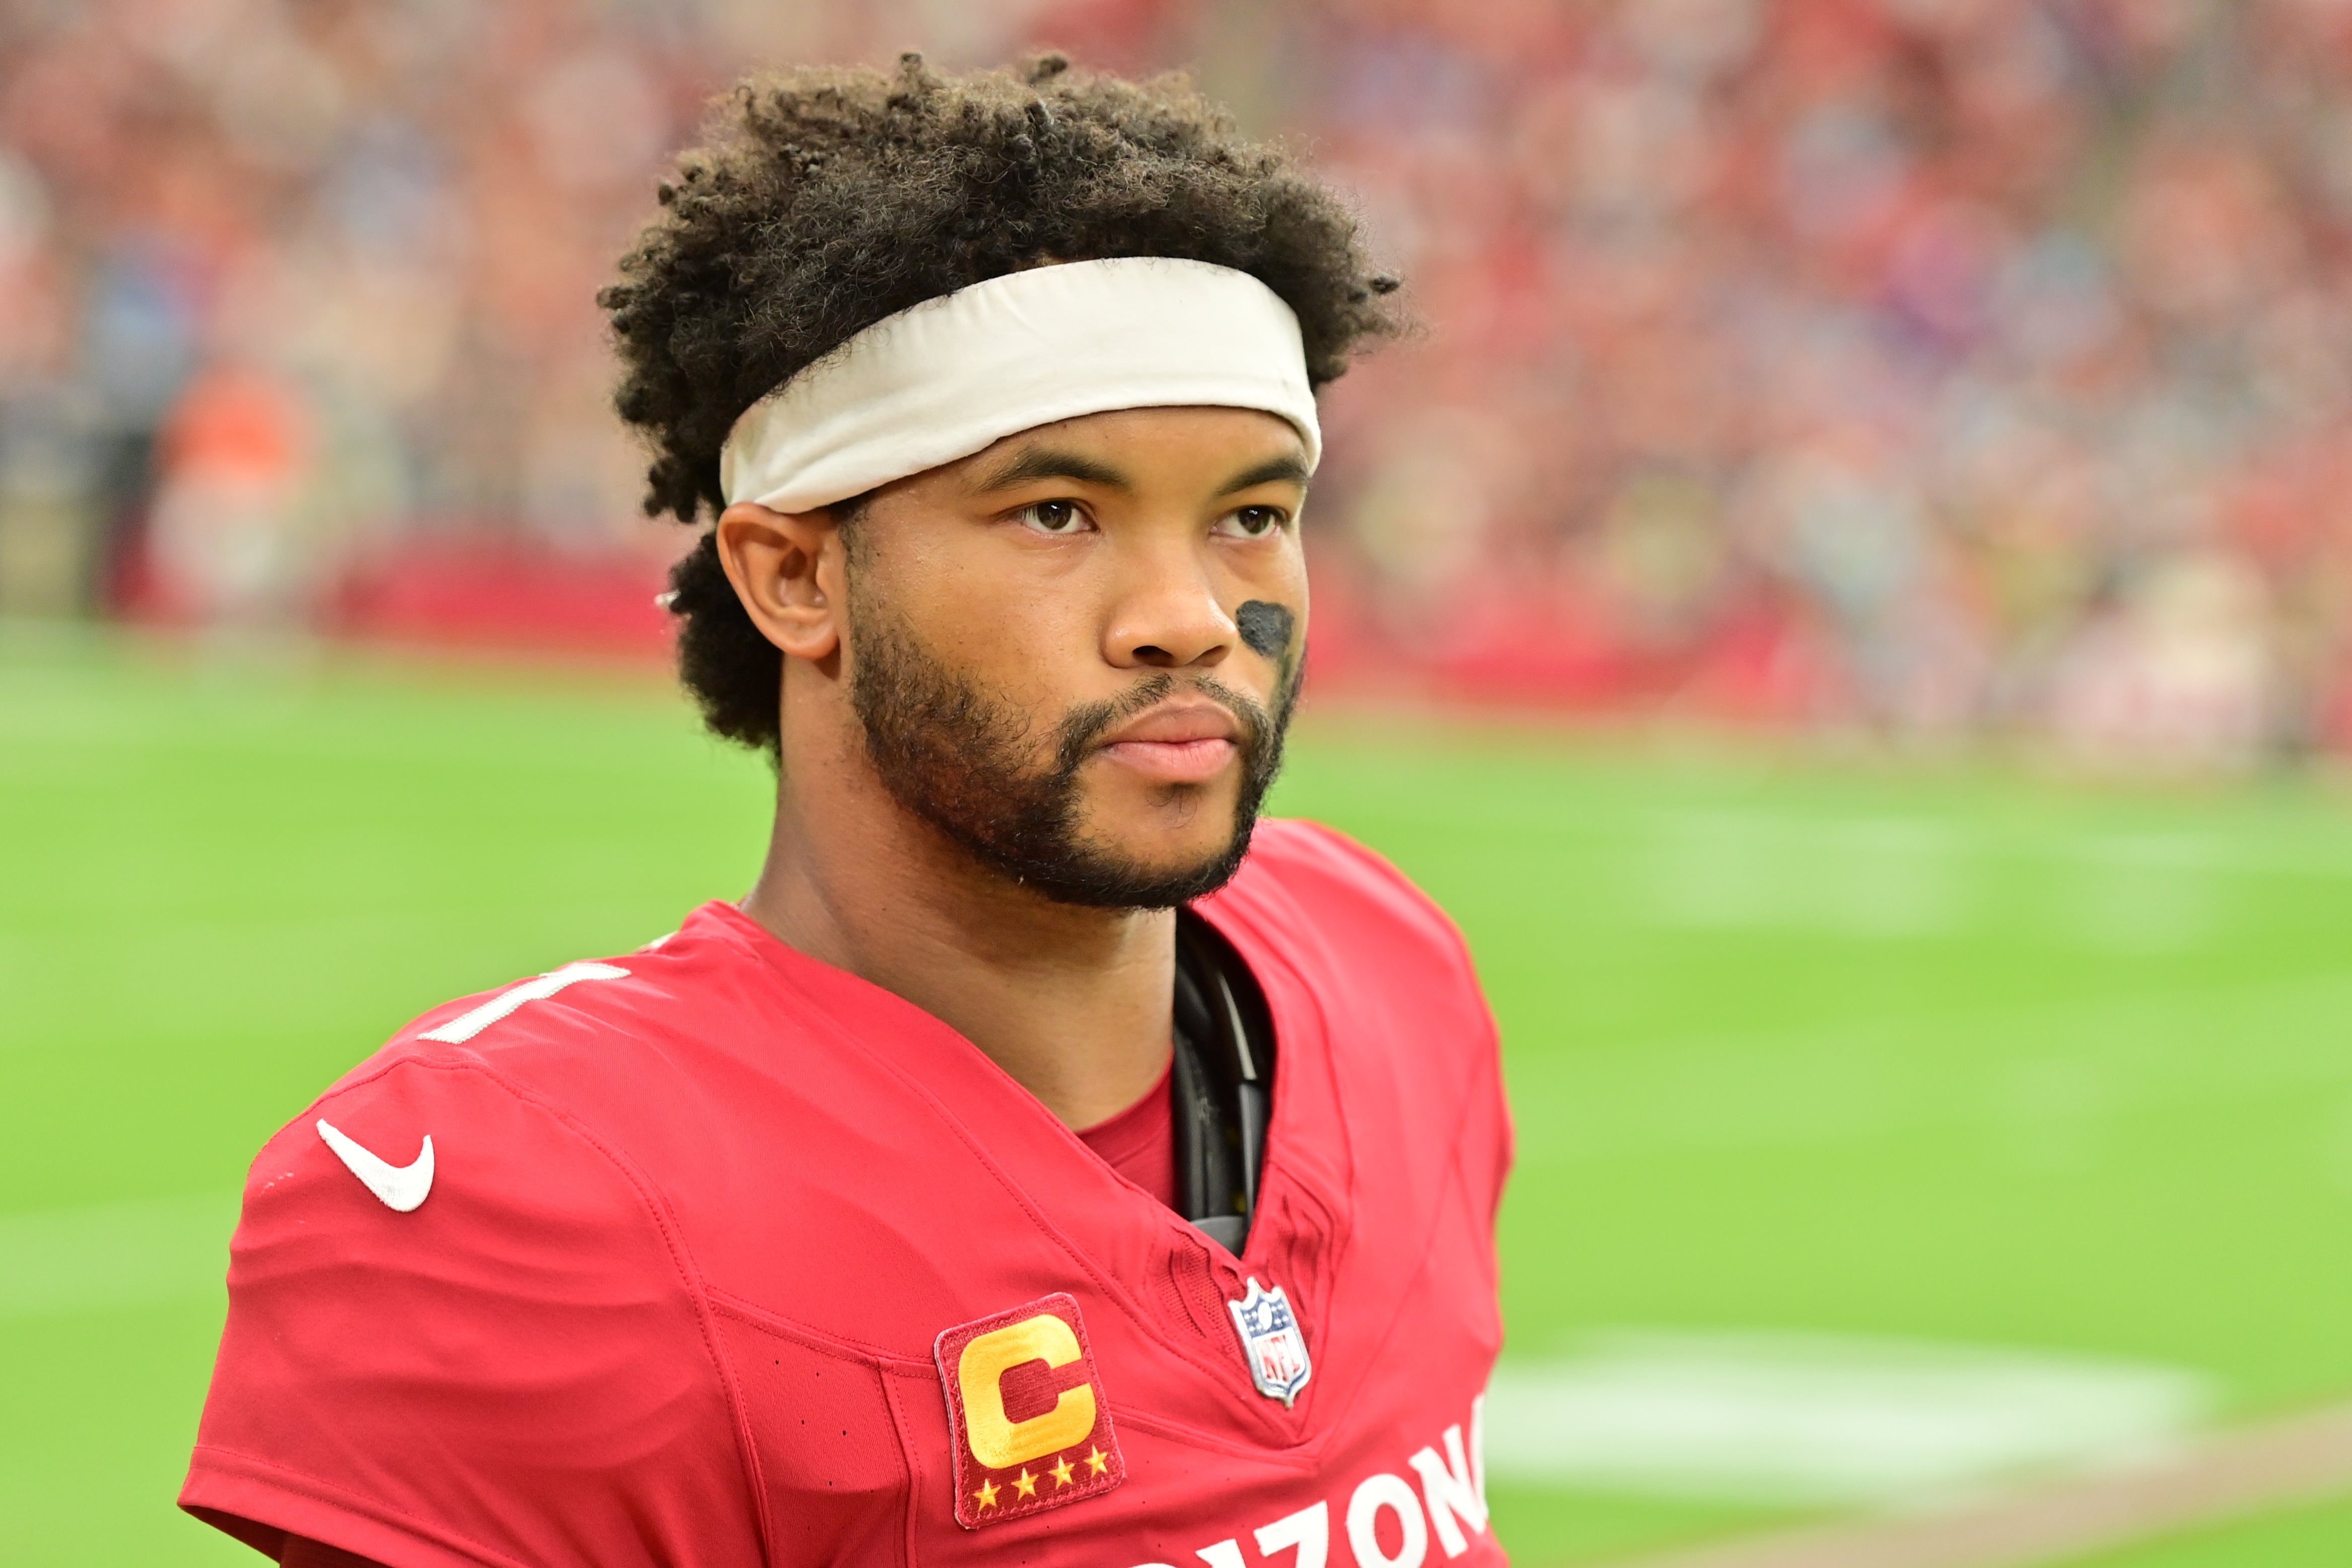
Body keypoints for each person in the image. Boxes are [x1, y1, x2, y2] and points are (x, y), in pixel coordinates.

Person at [181, 53, 1511, 1568]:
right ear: (797, 576)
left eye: (1253, 515)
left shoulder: (1384, 959)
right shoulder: (530, 1198)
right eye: (1057, 513)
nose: (1190, 616)